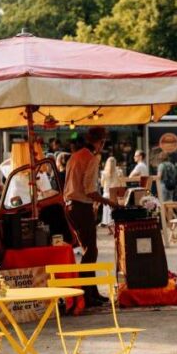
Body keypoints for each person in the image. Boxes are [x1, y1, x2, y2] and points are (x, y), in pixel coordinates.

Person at [64, 127, 120, 308]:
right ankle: (86, 295)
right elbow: (90, 190)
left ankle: (91, 292)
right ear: (100, 142)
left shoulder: (75, 156)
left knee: (88, 250)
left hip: (72, 206)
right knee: (90, 251)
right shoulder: (91, 158)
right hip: (80, 206)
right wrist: (110, 202)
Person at [100, 156, 122, 227]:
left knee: (106, 210)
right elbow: (121, 183)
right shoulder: (119, 172)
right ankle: (112, 223)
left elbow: (102, 184)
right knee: (113, 210)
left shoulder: (103, 173)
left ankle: (106, 223)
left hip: (106, 194)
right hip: (114, 194)